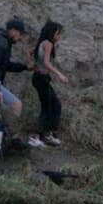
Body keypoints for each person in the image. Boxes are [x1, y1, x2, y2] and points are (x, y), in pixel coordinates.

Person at [28, 20, 70, 148]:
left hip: (39, 78)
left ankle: (47, 134)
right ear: (52, 34)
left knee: (53, 105)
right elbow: (46, 63)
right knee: (49, 107)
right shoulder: (48, 44)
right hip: (41, 78)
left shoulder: (42, 42)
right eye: (58, 33)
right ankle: (38, 136)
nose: (59, 36)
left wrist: (32, 64)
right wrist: (60, 74)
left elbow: (29, 52)